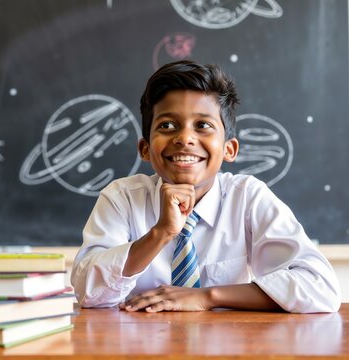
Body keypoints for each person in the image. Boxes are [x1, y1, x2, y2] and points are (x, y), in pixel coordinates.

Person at [71, 60, 341, 313]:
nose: (185, 138)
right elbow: (88, 293)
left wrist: (206, 297)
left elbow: (320, 288)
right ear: (144, 148)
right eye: (167, 125)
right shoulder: (122, 198)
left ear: (229, 149)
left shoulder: (247, 197)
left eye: (203, 125)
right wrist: (160, 233)